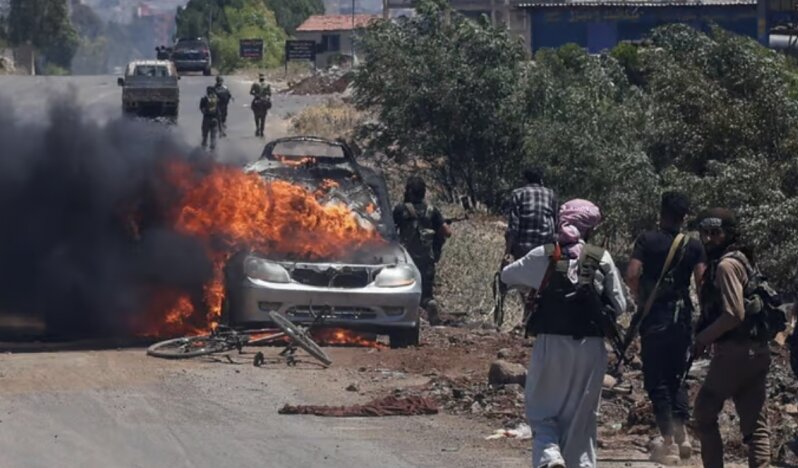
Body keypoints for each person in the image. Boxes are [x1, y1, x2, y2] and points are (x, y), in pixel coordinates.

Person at [501, 199, 627, 468]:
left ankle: (549, 456)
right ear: (590, 228)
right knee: (582, 419)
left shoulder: (545, 254)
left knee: (541, 412)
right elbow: (620, 305)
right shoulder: (601, 257)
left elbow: (507, 276)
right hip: (591, 348)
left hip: (550, 345)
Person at [625, 191, 706, 465]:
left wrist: (642, 299)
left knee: (656, 378)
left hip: (654, 318)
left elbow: (632, 274)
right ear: (684, 217)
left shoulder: (647, 240)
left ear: (661, 212)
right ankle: (684, 437)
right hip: (682, 319)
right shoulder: (694, 245)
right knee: (677, 375)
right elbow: (701, 282)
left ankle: (669, 441)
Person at [693, 208, 771, 468]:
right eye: (705, 233)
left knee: (704, 412)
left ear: (729, 234)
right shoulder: (743, 259)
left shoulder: (726, 265)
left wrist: (703, 338)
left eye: (715, 233)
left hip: (734, 352)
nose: (709, 238)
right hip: (756, 351)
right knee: (755, 423)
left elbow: (733, 314)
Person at [393, 176, 452, 326]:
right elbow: (447, 232)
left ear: (410, 192)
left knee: (402, 289)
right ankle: (429, 304)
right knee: (426, 292)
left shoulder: (401, 210)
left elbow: (390, 231)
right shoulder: (432, 211)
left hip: (406, 260)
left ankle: (404, 317)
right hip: (427, 259)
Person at [503, 166, 558, 264]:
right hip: (545, 248)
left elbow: (513, 227)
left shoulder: (518, 194)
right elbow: (555, 224)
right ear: (540, 180)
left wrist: (507, 252)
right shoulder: (551, 194)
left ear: (525, 179)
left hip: (523, 248)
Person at [250, 73, 272, 137]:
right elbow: (269, 94)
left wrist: (256, 95)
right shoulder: (267, 84)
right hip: (264, 102)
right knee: (263, 117)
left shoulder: (255, 84)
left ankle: (258, 128)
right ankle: (261, 130)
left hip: (257, 101)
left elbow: (251, 92)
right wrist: (267, 97)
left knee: (257, 117)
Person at [200, 86, 220, 150]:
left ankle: (203, 151)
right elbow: (219, 112)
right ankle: (212, 152)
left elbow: (202, 109)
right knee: (213, 137)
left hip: (206, 119)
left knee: (205, 137)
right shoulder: (216, 99)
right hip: (214, 119)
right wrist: (220, 127)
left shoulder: (204, 98)